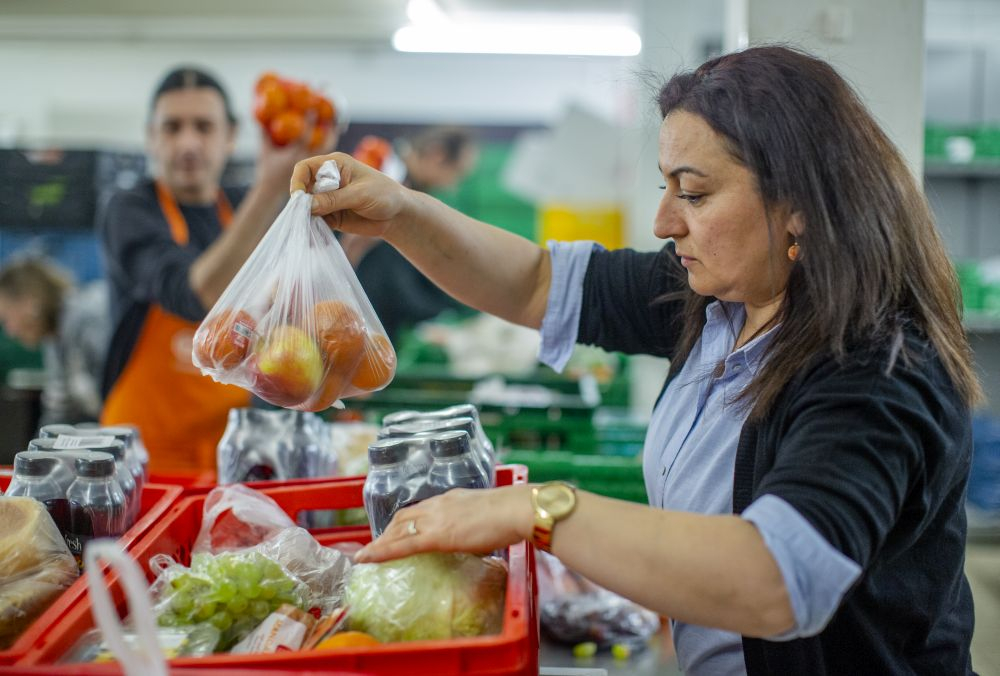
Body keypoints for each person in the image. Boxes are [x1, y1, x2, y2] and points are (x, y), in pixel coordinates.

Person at [292, 46, 980, 675]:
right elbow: (536, 281)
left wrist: (535, 510)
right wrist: (398, 214)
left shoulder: (878, 370)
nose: (663, 222)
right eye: (666, 186)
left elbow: (775, 579)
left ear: (797, 204)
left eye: (694, 192)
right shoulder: (716, 298)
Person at [99, 66, 330, 475]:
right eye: (172, 127)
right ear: (152, 137)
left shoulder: (243, 206)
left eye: (203, 127)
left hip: (234, 451)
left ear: (230, 136)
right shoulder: (130, 211)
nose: (188, 142)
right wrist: (270, 188)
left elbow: (304, 292)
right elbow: (198, 296)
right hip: (143, 461)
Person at [339, 126, 479, 344]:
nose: (453, 186)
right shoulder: (386, 174)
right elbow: (356, 248)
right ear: (437, 155)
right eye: (456, 173)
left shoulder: (402, 184)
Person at [0, 256, 110, 426]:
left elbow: (119, 390)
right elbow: (59, 413)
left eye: (7, 318)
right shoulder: (54, 340)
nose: (10, 331)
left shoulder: (87, 319)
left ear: (29, 301)